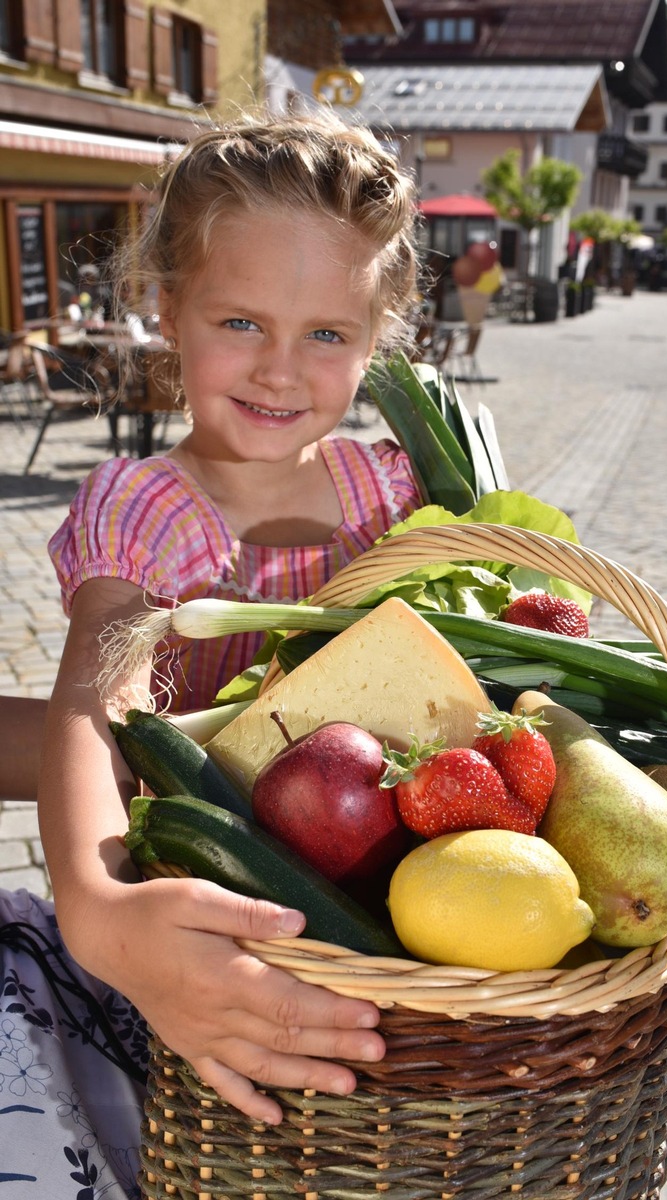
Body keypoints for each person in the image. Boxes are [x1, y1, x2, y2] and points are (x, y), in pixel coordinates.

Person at [1, 108, 423, 1197]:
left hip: (392, 887)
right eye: (241, 320)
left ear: (375, 343)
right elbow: (99, 703)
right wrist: (100, 911)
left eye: (327, 335)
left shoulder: (390, 494)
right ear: (167, 307)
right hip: (225, 898)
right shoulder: (149, 510)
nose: (282, 371)